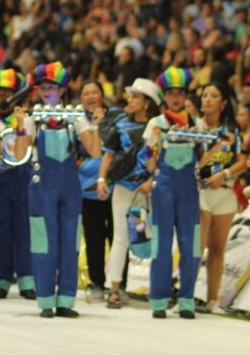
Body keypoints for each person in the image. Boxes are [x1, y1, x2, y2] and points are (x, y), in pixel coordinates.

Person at [14, 61, 102, 318]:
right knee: (43, 243)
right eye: (43, 86)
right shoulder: (32, 118)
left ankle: (66, 300)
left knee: (70, 242)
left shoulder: (76, 118)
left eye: (52, 86)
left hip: (69, 186)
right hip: (41, 186)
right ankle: (45, 300)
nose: (46, 90)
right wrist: (20, 126)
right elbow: (19, 155)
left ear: (63, 90)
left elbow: (95, 152)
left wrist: (94, 125)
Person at [97, 78, 161, 309]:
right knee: (121, 237)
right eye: (130, 95)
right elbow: (109, 155)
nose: (130, 100)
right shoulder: (121, 125)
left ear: (147, 103)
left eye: (136, 96)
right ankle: (113, 289)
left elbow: (161, 158)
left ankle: (159, 288)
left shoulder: (158, 127)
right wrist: (102, 179)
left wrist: (151, 180)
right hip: (124, 188)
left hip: (152, 190)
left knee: (155, 239)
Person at [143, 67, 202, 319]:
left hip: (189, 188)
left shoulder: (196, 123)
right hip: (163, 188)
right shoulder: (155, 124)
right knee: (161, 244)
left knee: (192, 245)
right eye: (171, 93)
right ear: (164, 96)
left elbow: (202, 157)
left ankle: (186, 300)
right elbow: (146, 158)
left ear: (186, 96)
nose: (176, 98)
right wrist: (154, 152)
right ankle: (159, 299)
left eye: (180, 93)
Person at [195, 83, 247, 313]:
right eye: (205, 95)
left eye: (214, 96)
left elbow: (242, 162)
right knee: (197, 247)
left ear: (223, 103)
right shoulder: (194, 128)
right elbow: (193, 162)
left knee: (217, 248)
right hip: (200, 191)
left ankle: (212, 300)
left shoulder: (231, 130)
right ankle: (186, 295)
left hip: (225, 192)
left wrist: (224, 174)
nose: (208, 100)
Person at [0, 68, 35, 300]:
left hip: (22, 177)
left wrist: (19, 122)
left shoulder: (26, 118)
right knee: (0, 230)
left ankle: (27, 279)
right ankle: (1, 279)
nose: (2, 96)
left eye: (7, 92)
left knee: (24, 231)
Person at [75, 81, 111, 301]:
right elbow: (94, 152)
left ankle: (119, 284)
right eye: (86, 93)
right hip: (87, 188)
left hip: (114, 186)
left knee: (117, 236)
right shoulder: (77, 120)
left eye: (94, 92)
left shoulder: (116, 117)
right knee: (94, 236)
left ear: (102, 95)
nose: (90, 97)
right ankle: (96, 282)